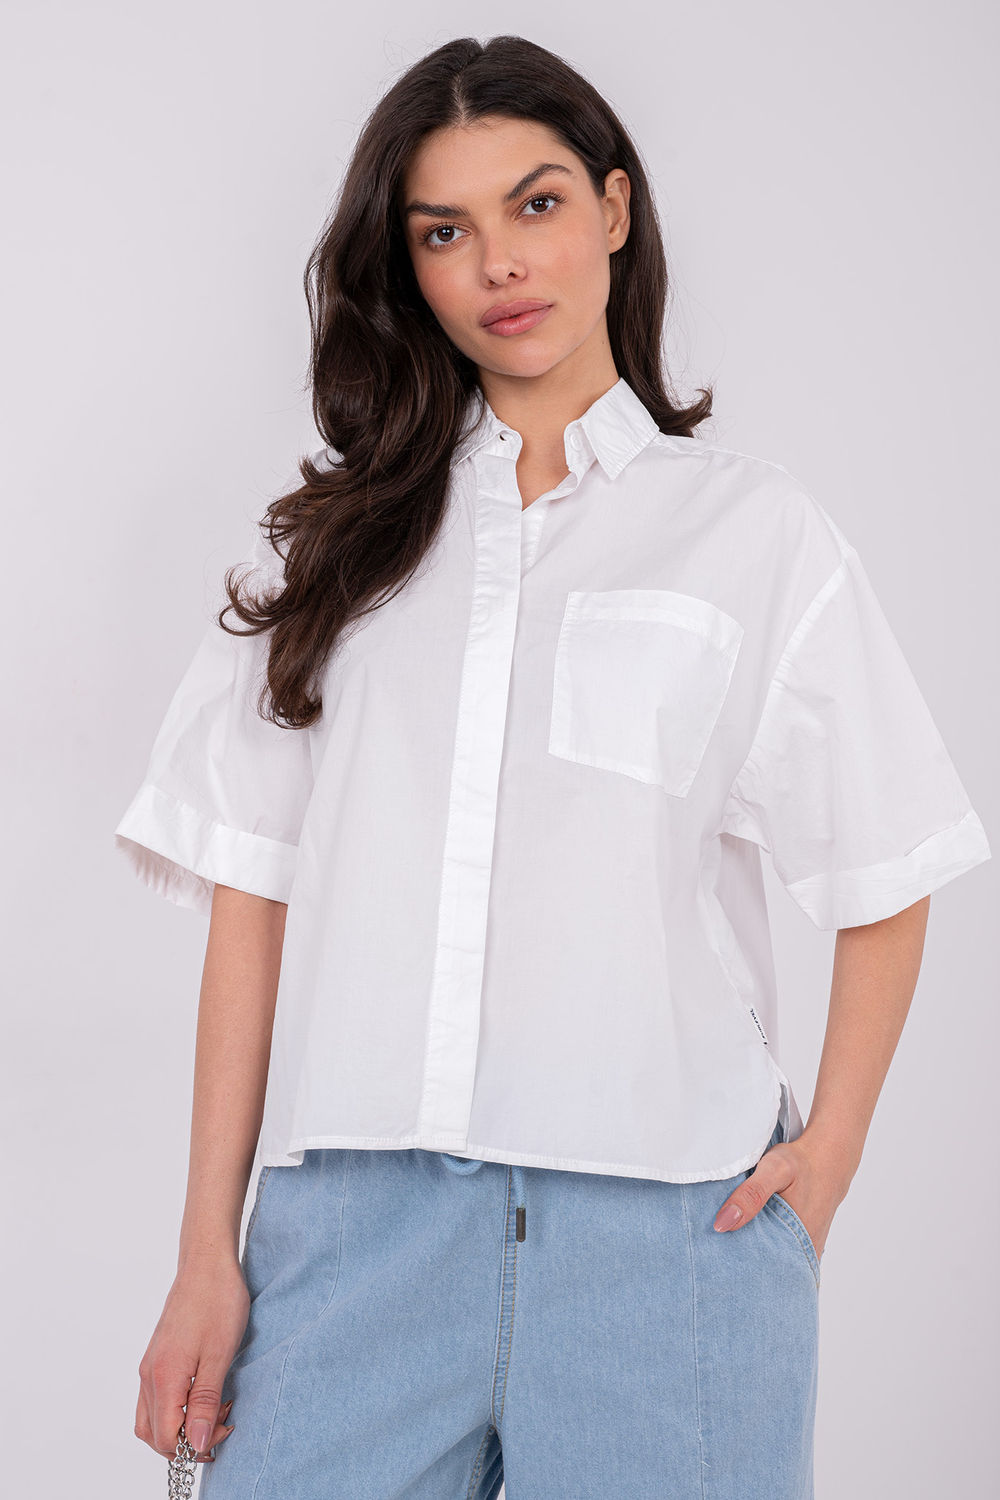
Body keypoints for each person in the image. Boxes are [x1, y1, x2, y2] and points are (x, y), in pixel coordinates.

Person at [116, 34, 991, 1500]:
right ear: (408, 268)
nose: (500, 264)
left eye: (536, 205)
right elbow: (249, 906)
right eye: (443, 231)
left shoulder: (753, 535)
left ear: (615, 209)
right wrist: (206, 1253)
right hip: (355, 1236)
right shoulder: (333, 552)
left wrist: (827, 1158)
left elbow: (886, 865)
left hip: (670, 1239)